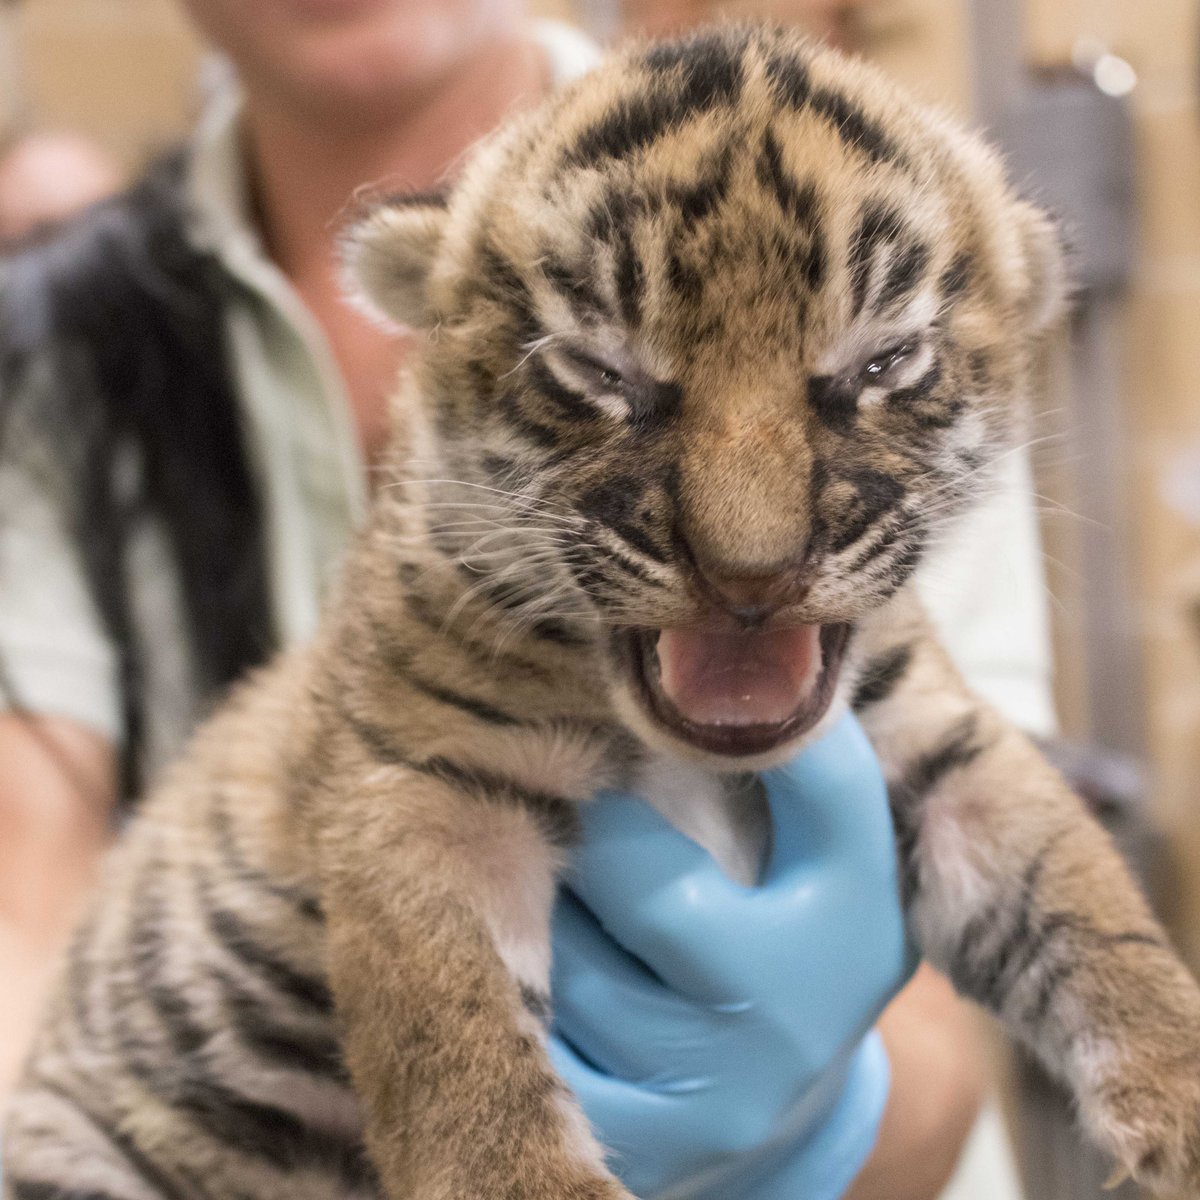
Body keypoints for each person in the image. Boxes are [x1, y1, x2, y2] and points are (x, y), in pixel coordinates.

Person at [0, 2, 1055, 1196]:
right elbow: (28, 905)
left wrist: (820, 1115)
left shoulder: (877, 234)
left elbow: (958, 986)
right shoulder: (46, 351)